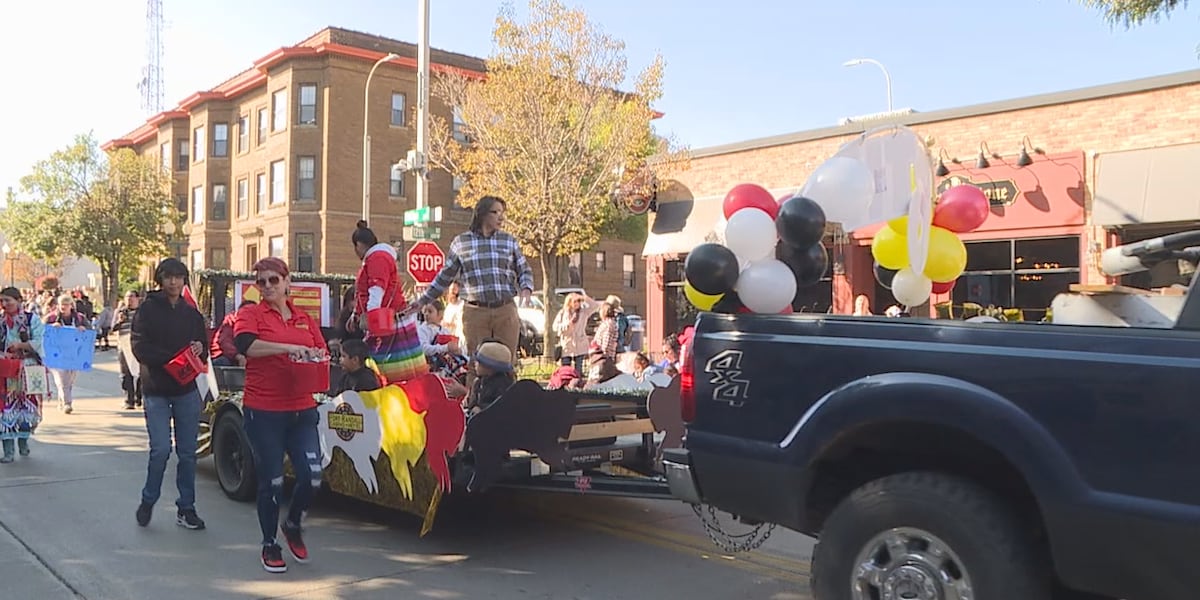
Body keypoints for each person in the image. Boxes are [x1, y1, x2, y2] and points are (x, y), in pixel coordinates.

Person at [233, 257, 328, 574]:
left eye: (274, 280)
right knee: (271, 482)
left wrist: (317, 356)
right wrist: (287, 348)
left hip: (302, 409)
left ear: (288, 282)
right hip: (264, 411)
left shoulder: (304, 317)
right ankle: (269, 543)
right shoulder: (251, 313)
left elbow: (320, 349)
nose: (268, 286)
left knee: (312, 475)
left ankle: (293, 525)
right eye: (262, 282)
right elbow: (246, 345)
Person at [405, 196, 534, 382]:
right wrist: (423, 301)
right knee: (476, 363)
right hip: (475, 311)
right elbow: (444, 276)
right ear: (482, 214)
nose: (501, 217)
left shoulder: (508, 241)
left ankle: (508, 406)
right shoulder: (461, 242)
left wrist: (526, 289)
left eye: (502, 213)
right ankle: (475, 405)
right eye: (495, 212)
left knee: (506, 361)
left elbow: (524, 269)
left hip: (505, 309)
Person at [131, 258, 209, 531]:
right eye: (168, 277)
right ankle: (148, 499)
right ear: (160, 280)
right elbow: (140, 347)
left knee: (188, 453)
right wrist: (172, 360)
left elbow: (204, 347)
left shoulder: (192, 314)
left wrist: (199, 348)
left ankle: (186, 507)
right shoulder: (147, 310)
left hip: (186, 390)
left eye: (178, 277)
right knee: (161, 450)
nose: (174, 282)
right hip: (157, 390)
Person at [347, 220, 427, 384]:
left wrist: (370, 316)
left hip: (387, 322)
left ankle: (397, 397)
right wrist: (356, 314)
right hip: (386, 320)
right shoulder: (377, 258)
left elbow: (376, 288)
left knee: (392, 368)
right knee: (390, 366)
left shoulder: (378, 258)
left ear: (359, 245)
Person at [0, 287, 45, 462]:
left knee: (27, 408)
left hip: (27, 369)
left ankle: (23, 441)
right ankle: (8, 451)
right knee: (5, 409)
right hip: (5, 370)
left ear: (19, 300)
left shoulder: (31, 319)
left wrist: (20, 346)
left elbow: (39, 341)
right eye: (1, 301)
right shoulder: (1, 321)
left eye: (7, 301)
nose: (4, 305)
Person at [44, 294, 91, 414]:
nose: (63, 307)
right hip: (57, 353)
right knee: (62, 378)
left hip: (74, 353)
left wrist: (83, 328)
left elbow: (90, 329)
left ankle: (62, 398)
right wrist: (51, 326)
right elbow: (41, 330)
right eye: (61, 304)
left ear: (71, 305)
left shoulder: (79, 318)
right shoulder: (51, 317)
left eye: (66, 304)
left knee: (70, 379)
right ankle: (67, 403)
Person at [552, 292, 601, 375]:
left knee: (578, 370)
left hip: (580, 345)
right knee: (565, 369)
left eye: (578, 301)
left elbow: (595, 306)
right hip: (567, 345)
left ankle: (578, 384)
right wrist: (566, 326)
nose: (577, 304)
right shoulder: (562, 313)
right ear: (569, 302)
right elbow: (555, 327)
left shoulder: (584, 312)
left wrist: (584, 298)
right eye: (575, 301)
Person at [468, 340, 516, 412]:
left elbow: (500, 407)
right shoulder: (479, 382)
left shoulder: (502, 385)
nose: (475, 364)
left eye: (479, 362)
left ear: (489, 368)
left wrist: (481, 409)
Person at [114, 290, 143, 410]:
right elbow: (112, 328)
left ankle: (139, 397)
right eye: (127, 297)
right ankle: (128, 399)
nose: (129, 300)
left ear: (138, 299)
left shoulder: (142, 313)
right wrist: (120, 321)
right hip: (124, 345)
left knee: (141, 372)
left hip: (139, 345)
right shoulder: (120, 312)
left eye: (131, 297)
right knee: (125, 373)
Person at [212, 300, 255, 367]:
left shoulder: (257, 324)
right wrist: (237, 356)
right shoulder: (231, 321)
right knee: (222, 362)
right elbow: (225, 343)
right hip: (224, 355)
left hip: (245, 357)